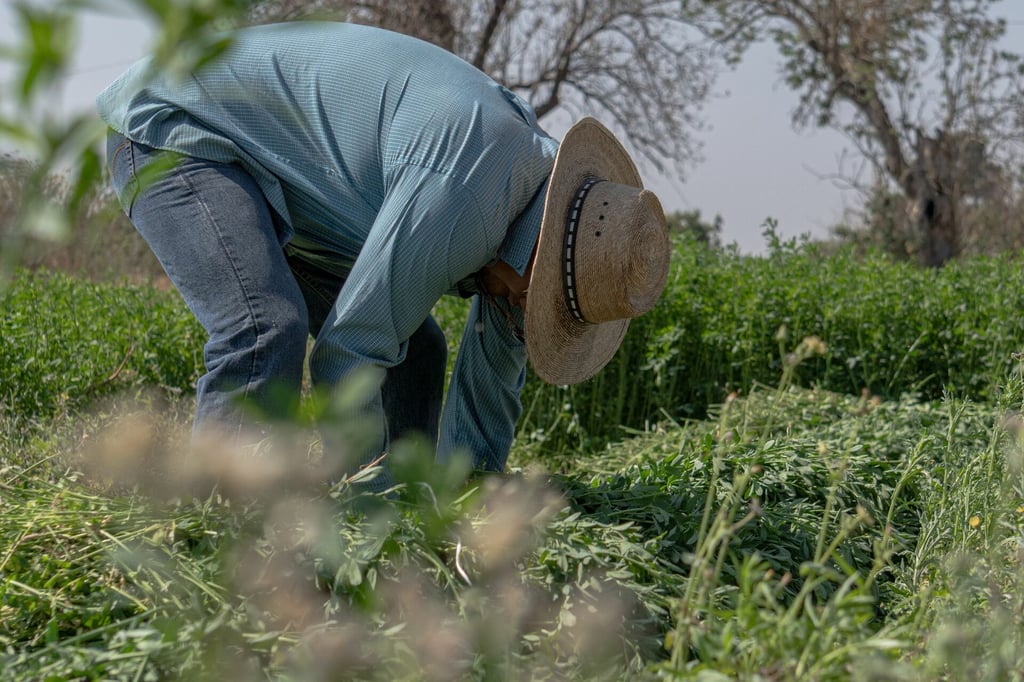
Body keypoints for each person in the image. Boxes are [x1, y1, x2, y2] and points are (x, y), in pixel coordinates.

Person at [97, 21, 670, 490]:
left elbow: (490, 386)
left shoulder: (531, 222)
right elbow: (348, 355)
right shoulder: (466, 194)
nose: (527, 315)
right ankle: (216, 527)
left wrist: (473, 498)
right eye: (536, 302)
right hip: (180, 126)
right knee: (264, 329)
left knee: (418, 350)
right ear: (537, 258)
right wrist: (366, 511)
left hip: (286, 180)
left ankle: (409, 498)